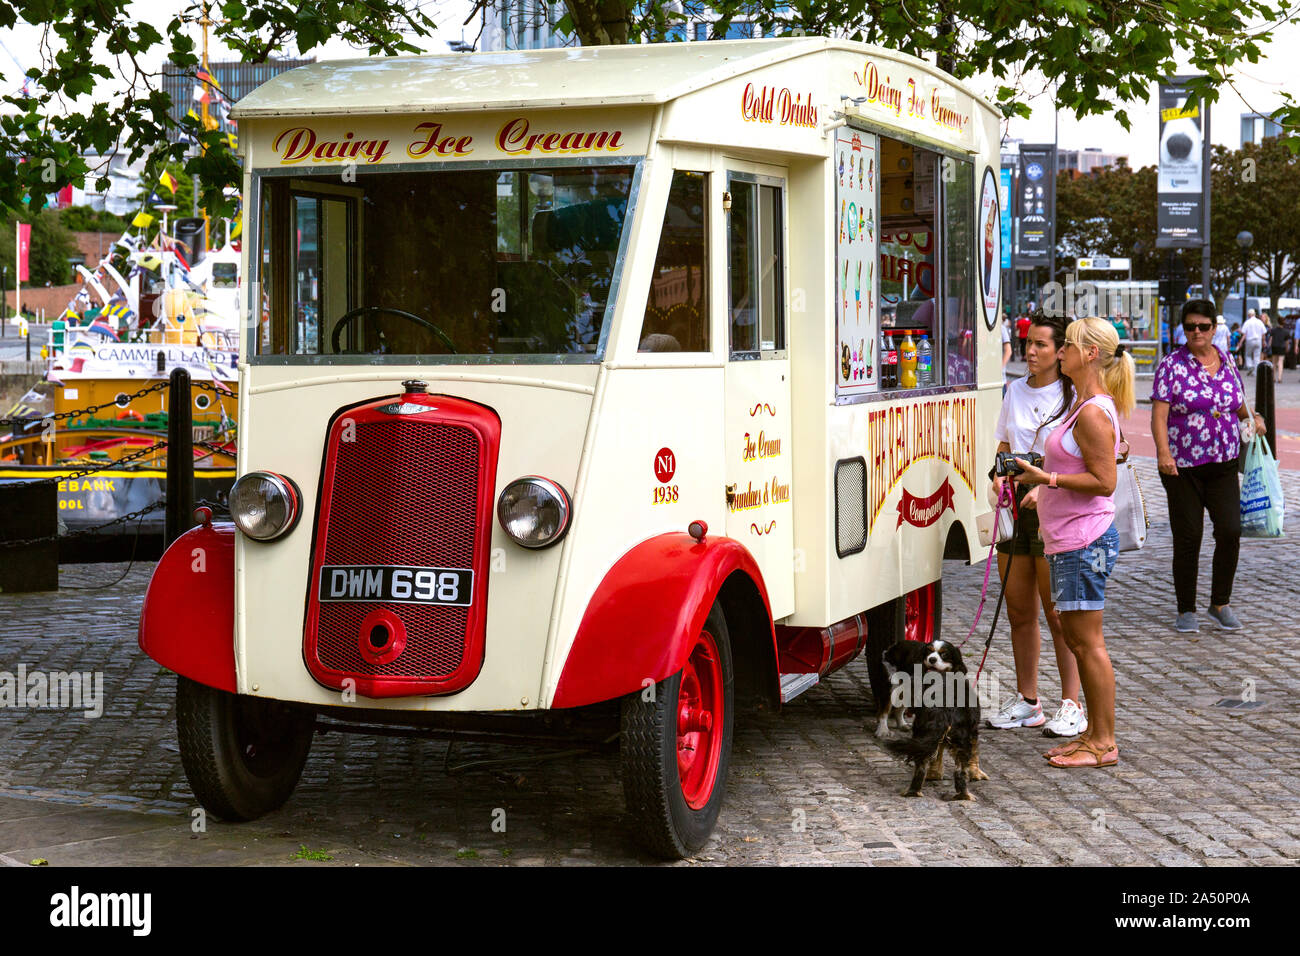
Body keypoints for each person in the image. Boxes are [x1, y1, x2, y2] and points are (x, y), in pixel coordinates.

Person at [1012, 316, 1136, 769]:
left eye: (1066, 345)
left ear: (1089, 354)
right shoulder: (1082, 404)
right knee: (1080, 639)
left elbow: (1104, 481)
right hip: (1068, 539)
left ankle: (1103, 743)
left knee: (1087, 642)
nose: (1057, 352)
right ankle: (1092, 734)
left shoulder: (1090, 411)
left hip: (1084, 541)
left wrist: (1048, 478)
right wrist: (1042, 488)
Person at [986, 311, 1085, 737]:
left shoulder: (1075, 397)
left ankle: (1072, 704)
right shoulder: (1014, 391)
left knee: (1059, 612)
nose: (1030, 350)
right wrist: (997, 475)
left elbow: (1088, 460)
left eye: (1041, 344)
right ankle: (1029, 701)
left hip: (1056, 514)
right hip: (1014, 511)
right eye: (1028, 342)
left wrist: (1044, 489)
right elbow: (1005, 444)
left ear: (1062, 351)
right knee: (1019, 610)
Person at [1152, 300, 1267, 632]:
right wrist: (1163, 453)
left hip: (1224, 462)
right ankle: (1186, 608)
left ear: (1214, 328)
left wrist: (1254, 417)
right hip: (1182, 466)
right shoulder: (1171, 365)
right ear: (1183, 329)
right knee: (1189, 536)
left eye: (1203, 326)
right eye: (1190, 327)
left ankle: (1220, 603)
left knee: (1230, 530)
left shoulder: (1228, 360)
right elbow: (1159, 416)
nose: (1197, 332)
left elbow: (1239, 406)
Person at [1266, 313, 1289, 384]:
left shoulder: (1273, 330)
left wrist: (1268, 346)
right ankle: (1279, 377)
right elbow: (1287, 342)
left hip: (1274, 346)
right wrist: (1287, 348)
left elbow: (1271, 339)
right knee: (1280, 362)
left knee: (1274, 362)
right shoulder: (1286, 332)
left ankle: (1273, 377)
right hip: (1282, 347)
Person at [1241, 309, 1266, 373]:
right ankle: (1256, 371)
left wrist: (1240, 342)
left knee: (1248, 355)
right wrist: (1263, 342)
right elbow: (1263, 333)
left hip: (1250, 340)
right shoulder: (1259, 322)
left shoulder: (1247, 322)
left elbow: (1244, 333)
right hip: (1258, 340)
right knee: (1257, 356)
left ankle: (1250, 366)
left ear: (1249, 315)